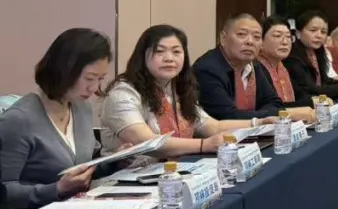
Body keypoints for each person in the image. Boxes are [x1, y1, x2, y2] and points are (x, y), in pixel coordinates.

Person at [101, 25, 273, 158]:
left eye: (176, 52)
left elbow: (213, 127)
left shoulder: (177, 89)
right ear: (142, 56)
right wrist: (203, 145)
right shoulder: (124, 93)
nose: (169, 58)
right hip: (125, 182)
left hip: (174, 173)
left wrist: (260, 123)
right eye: (159, 51)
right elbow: (147, 141)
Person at [0, 29, 111, 209]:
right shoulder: (18, 120)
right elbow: (5, 193)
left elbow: (84, 166)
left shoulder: (81, 108)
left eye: (100, 79)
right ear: (64, 71)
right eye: (89, 78)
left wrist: (116, 161)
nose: (94, 87)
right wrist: (57, 189)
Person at [194, 13, 291, 121]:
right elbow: (228, 117)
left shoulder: (254, 67)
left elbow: (276, 105)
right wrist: (263, 117)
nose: (250, 42)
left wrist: (258, 115)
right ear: (223, 38)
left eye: (256, 37)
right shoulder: (208, 69)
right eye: (242, 34)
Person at [285, 10, 338, 103]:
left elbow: (324, 81)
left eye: (323, 32)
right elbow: (313, 90)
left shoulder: (317, 52)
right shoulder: (293, 58)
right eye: (313, 30)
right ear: (298, 33)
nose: (319, 35)